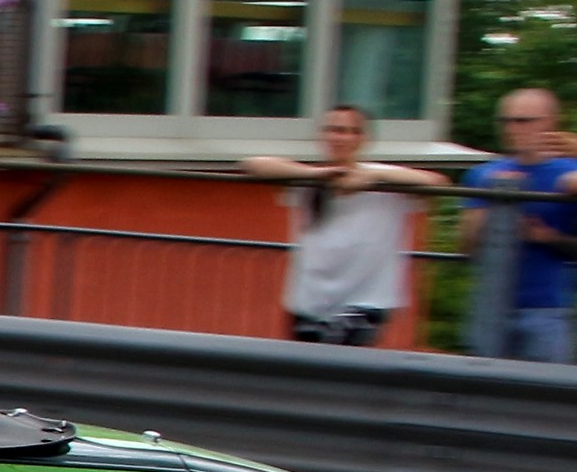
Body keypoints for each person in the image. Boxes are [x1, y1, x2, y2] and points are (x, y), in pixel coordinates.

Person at [242, 105, 446, 345]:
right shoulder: (308, 177)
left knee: (339, 368)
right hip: (310, 300)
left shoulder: (385, 178)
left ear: (364, 138)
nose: (341, 138)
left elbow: (438, 183)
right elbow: (253, 164)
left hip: (365, 302)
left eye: (350, 131)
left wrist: (373, 178)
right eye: (334, 130)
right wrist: (317, 176)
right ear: (322, 135)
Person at [459, 87, 577, 363]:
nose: (512, 129)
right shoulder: (483, 174)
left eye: (523, 121)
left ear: (550, 122)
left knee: (543, 394)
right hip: (489, 306)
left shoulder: (567, 174)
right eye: (506, 121)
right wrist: (491, 202)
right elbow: (466, 248)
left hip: (546, 308)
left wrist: (547, 237)